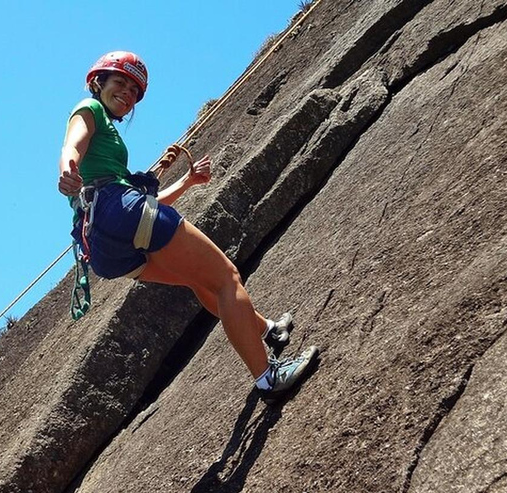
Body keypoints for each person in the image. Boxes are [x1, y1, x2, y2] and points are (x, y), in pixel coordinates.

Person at [57, 51, 317, 404]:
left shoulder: (107, 156)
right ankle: (268, 378)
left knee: (200, 281)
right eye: (120, 83)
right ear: (98, 83)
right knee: (226, 278)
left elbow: (143, 210)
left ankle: (269, 331)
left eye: (134, 91)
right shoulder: (89, 109)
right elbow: (73, 144)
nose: (127, 94)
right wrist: (68, 168)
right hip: (120, 211)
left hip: (104, 245)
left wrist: (188, 182)